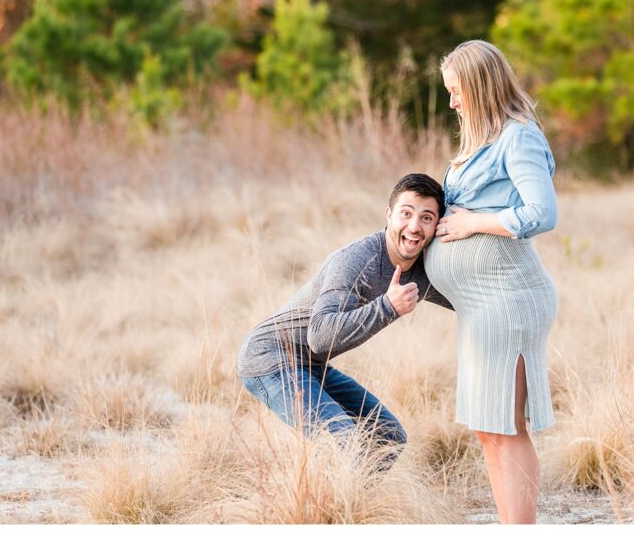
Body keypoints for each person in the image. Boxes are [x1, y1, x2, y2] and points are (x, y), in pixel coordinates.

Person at [424, 40, 558, 524]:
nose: (453, 102)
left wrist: (473, 224)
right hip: (479, 306)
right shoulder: (477, 144)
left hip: (509, 299)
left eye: (457, 92)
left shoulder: (518, 137)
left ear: (479, 88)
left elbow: (542, 213)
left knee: (507, 425)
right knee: (487, 426)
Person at [236, 173, 452, 465]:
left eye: (427, 218)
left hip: (310, 365)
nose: (414, 226)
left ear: (437, 225)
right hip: (270, 359)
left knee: (386, 437)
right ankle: (325, 510)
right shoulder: (357, 261)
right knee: (343, 441)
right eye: (406, 213)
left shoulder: (423, 270)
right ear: (388, 215)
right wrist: (388, 306)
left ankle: (354, 504)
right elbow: (321, 337)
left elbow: (465, 300)